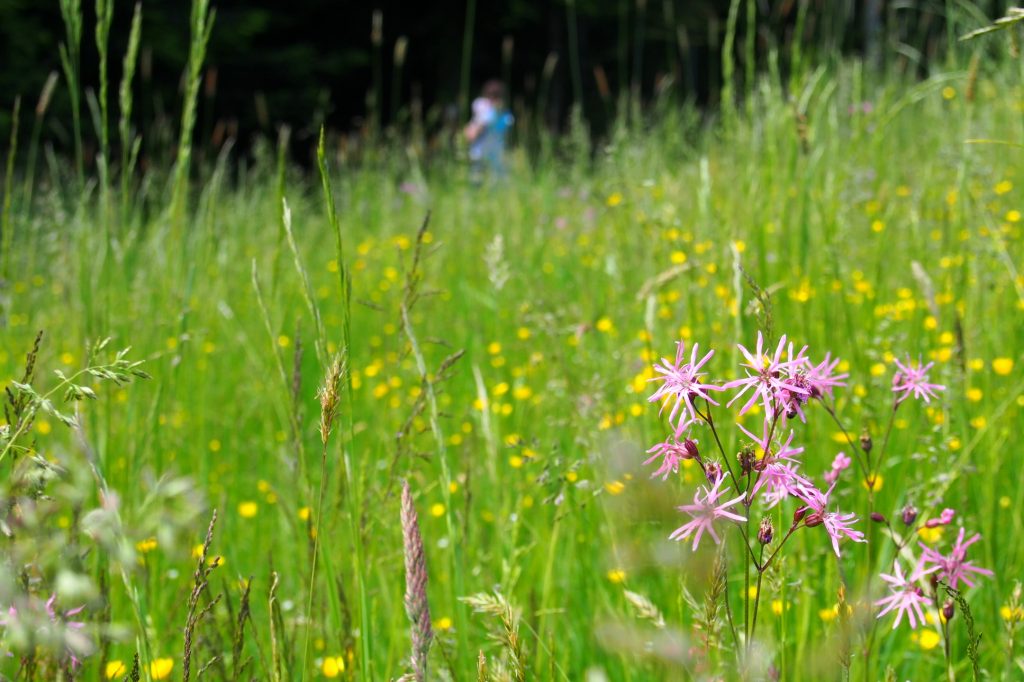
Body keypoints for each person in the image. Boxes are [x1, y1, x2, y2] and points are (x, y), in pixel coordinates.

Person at [464, 80, 513, 181]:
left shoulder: (496, 115)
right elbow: (470, 135)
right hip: (488, 157)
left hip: (487, 157)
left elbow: (470, 135)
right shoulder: (504, 115)